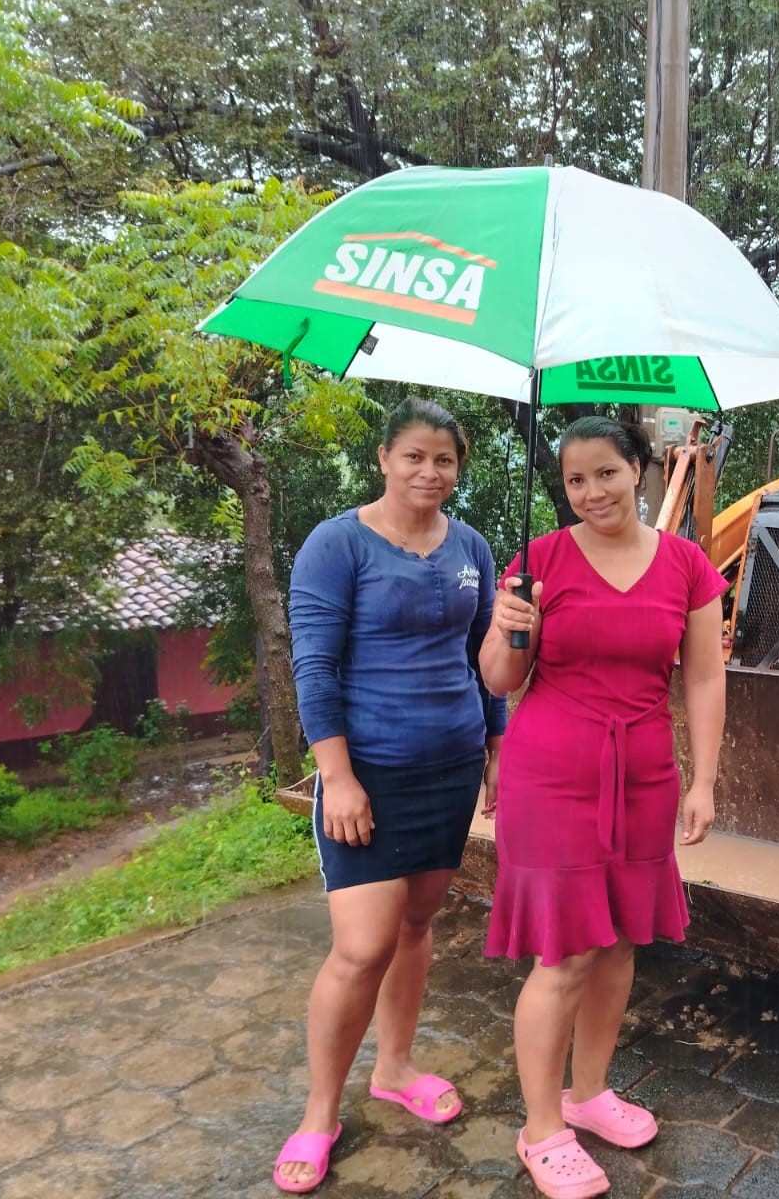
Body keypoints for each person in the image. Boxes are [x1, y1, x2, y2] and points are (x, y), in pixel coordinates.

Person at [481, 416, 727, 1199]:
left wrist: (705, 779)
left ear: (640, 469)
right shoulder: (540, 561)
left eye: (606, 474)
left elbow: (705, 678)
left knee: (621, 941)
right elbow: (497, 682)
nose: (591, 492)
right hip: (552, 772)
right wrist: (513, 627)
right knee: (566, 953)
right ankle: (541, 1127)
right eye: (574, 481)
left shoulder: (688, 564)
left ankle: (587, 1095)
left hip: (646, 770)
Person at [274, 398, 507, 1194]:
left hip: (450, 767)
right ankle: (317, 1112)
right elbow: (313, 665)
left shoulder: (470, 544)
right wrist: (336, 775)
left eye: (444, 460)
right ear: (384, 457)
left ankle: (396, 1067)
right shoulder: (337, 544)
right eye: (414, 456)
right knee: (361, 946)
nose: (429, 472)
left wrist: (496, 747)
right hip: (367, 776)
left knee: (415, 924)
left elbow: (488, 659)